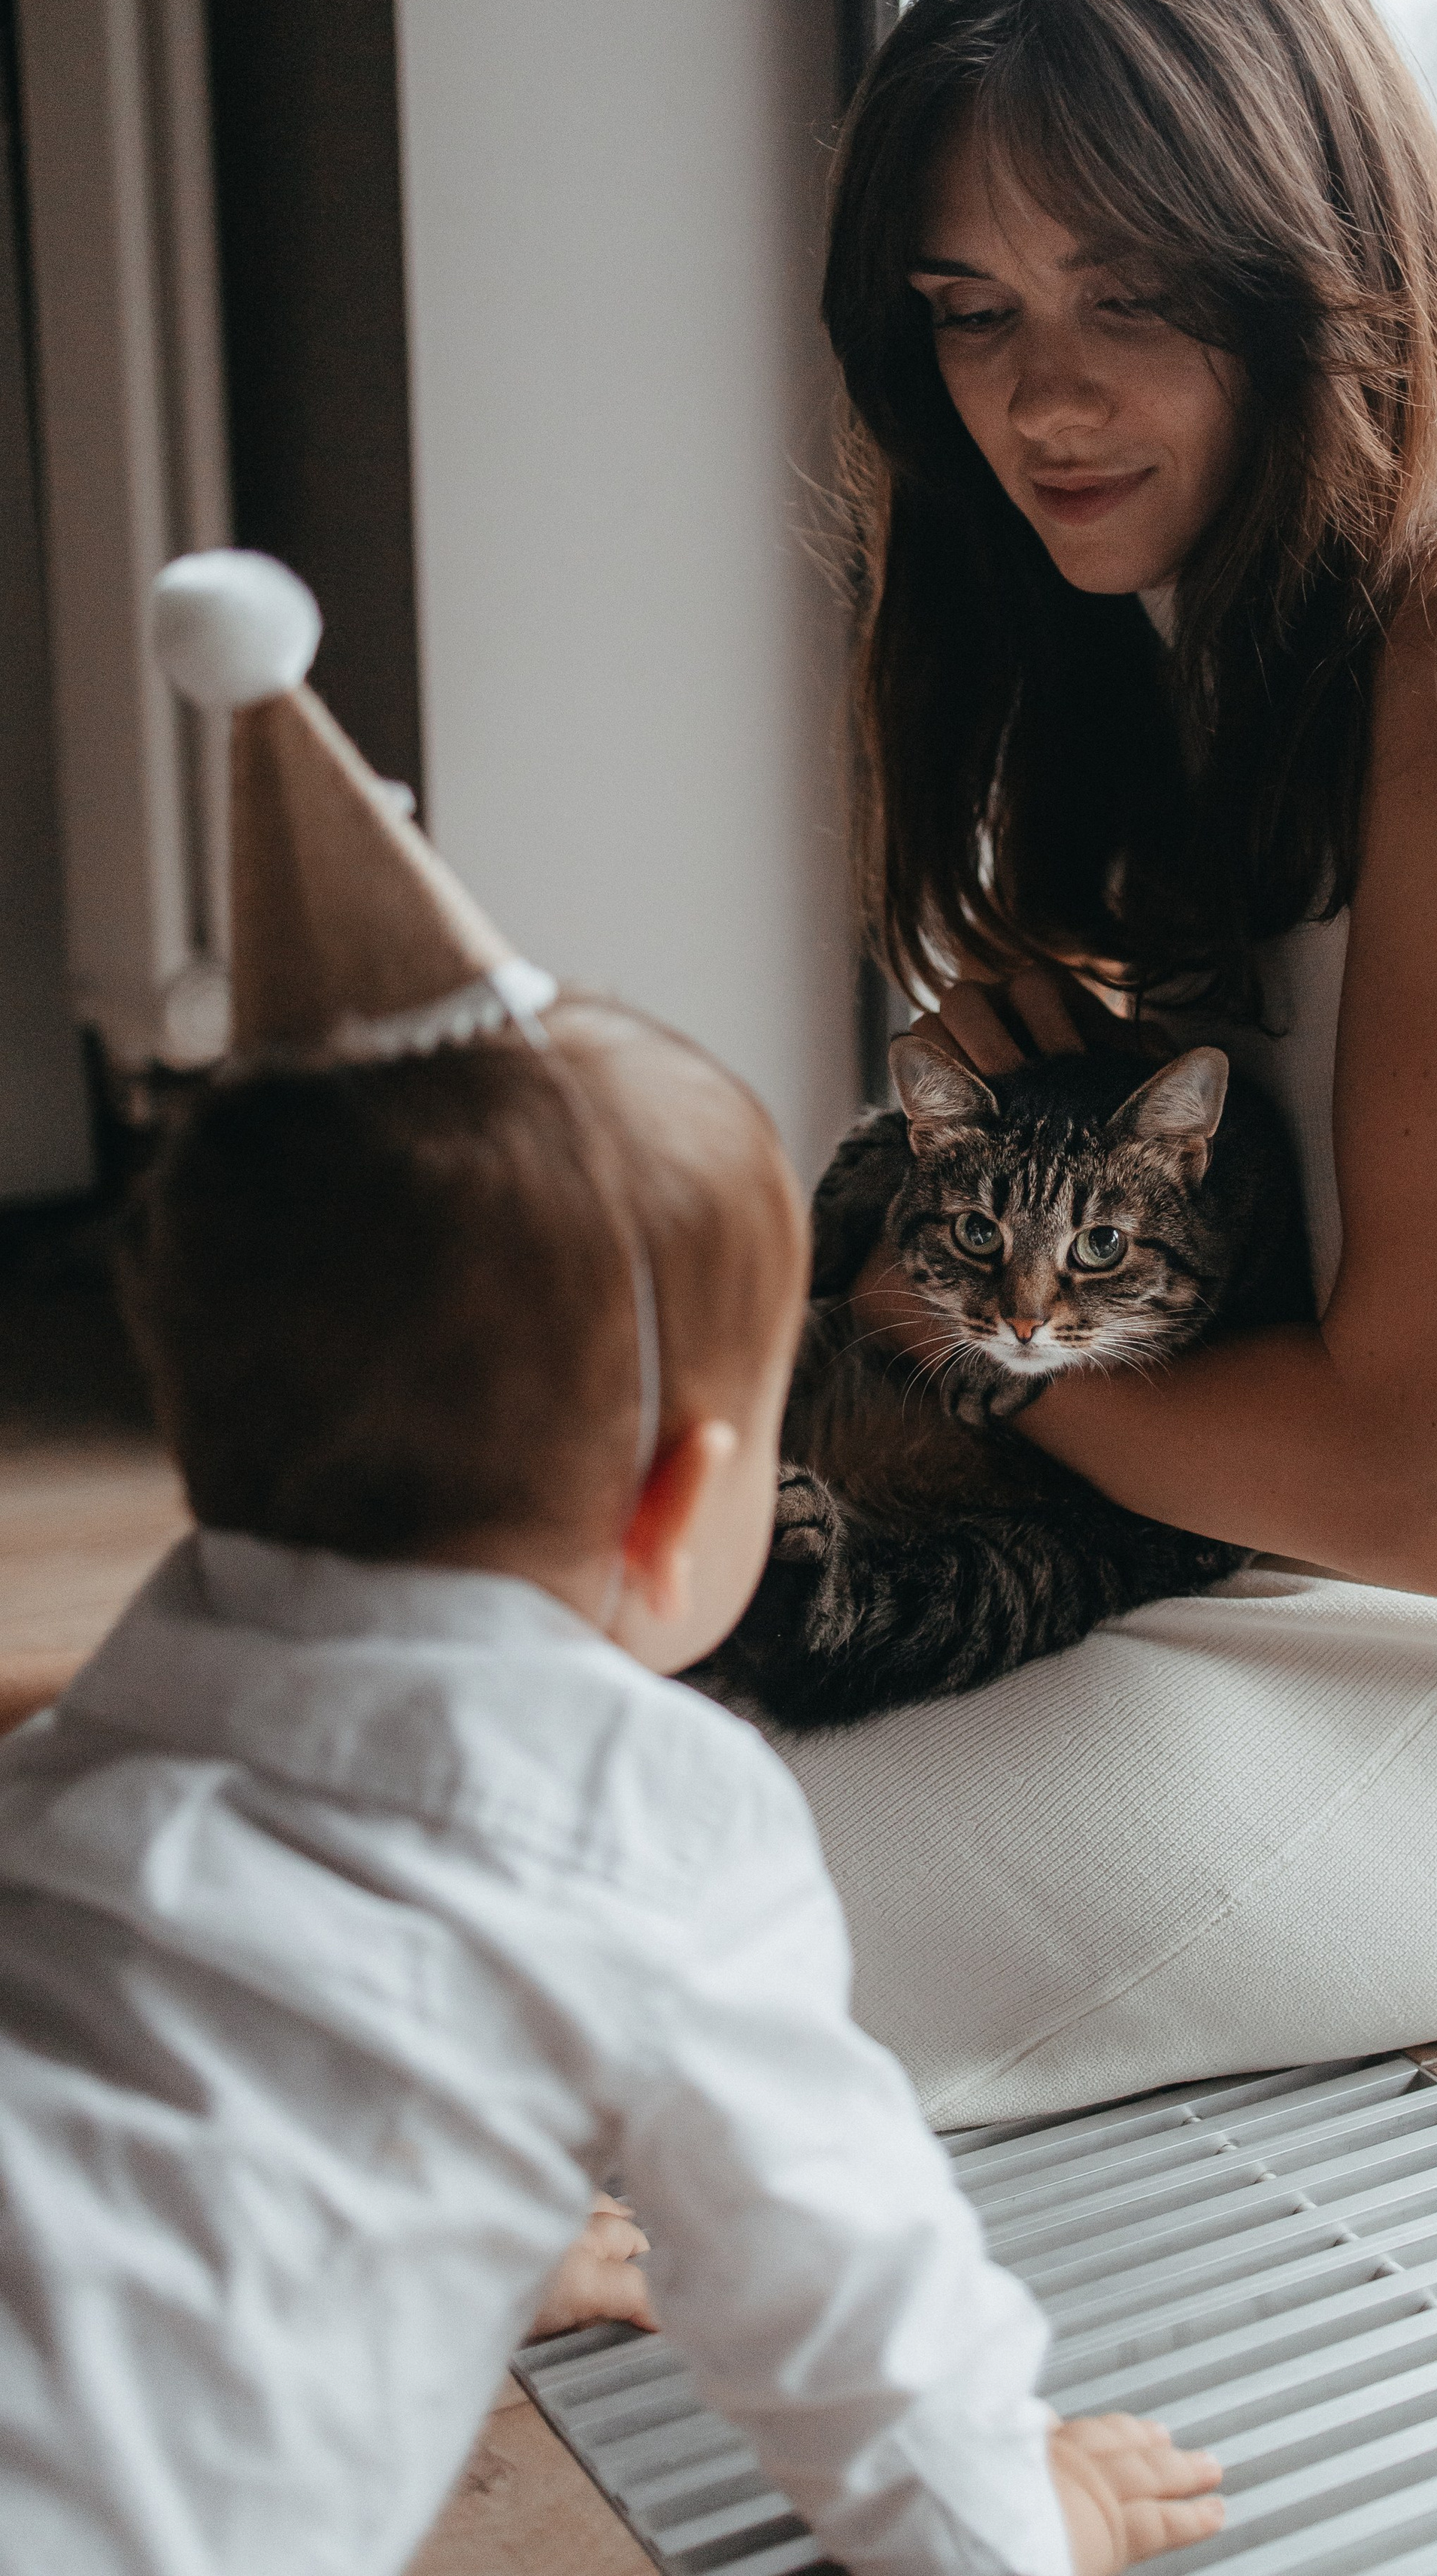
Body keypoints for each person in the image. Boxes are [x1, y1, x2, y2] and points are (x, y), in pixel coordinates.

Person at [0, 554, 1224, 2576]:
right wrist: (1033, 2514)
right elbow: (848, 2299)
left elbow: (183, 2125)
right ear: (680, 1515)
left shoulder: (110, 1724)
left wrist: (445, 2228)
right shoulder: (657, 1823)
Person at [765, 0, 1437, 2129]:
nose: (1039, 400)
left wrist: (946, 1339)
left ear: (1303, 270)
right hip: (1220, 1567)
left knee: (536, 1926)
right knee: (410, 1793)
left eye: (1123, 293)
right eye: (968, 307)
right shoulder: (1205, 642)